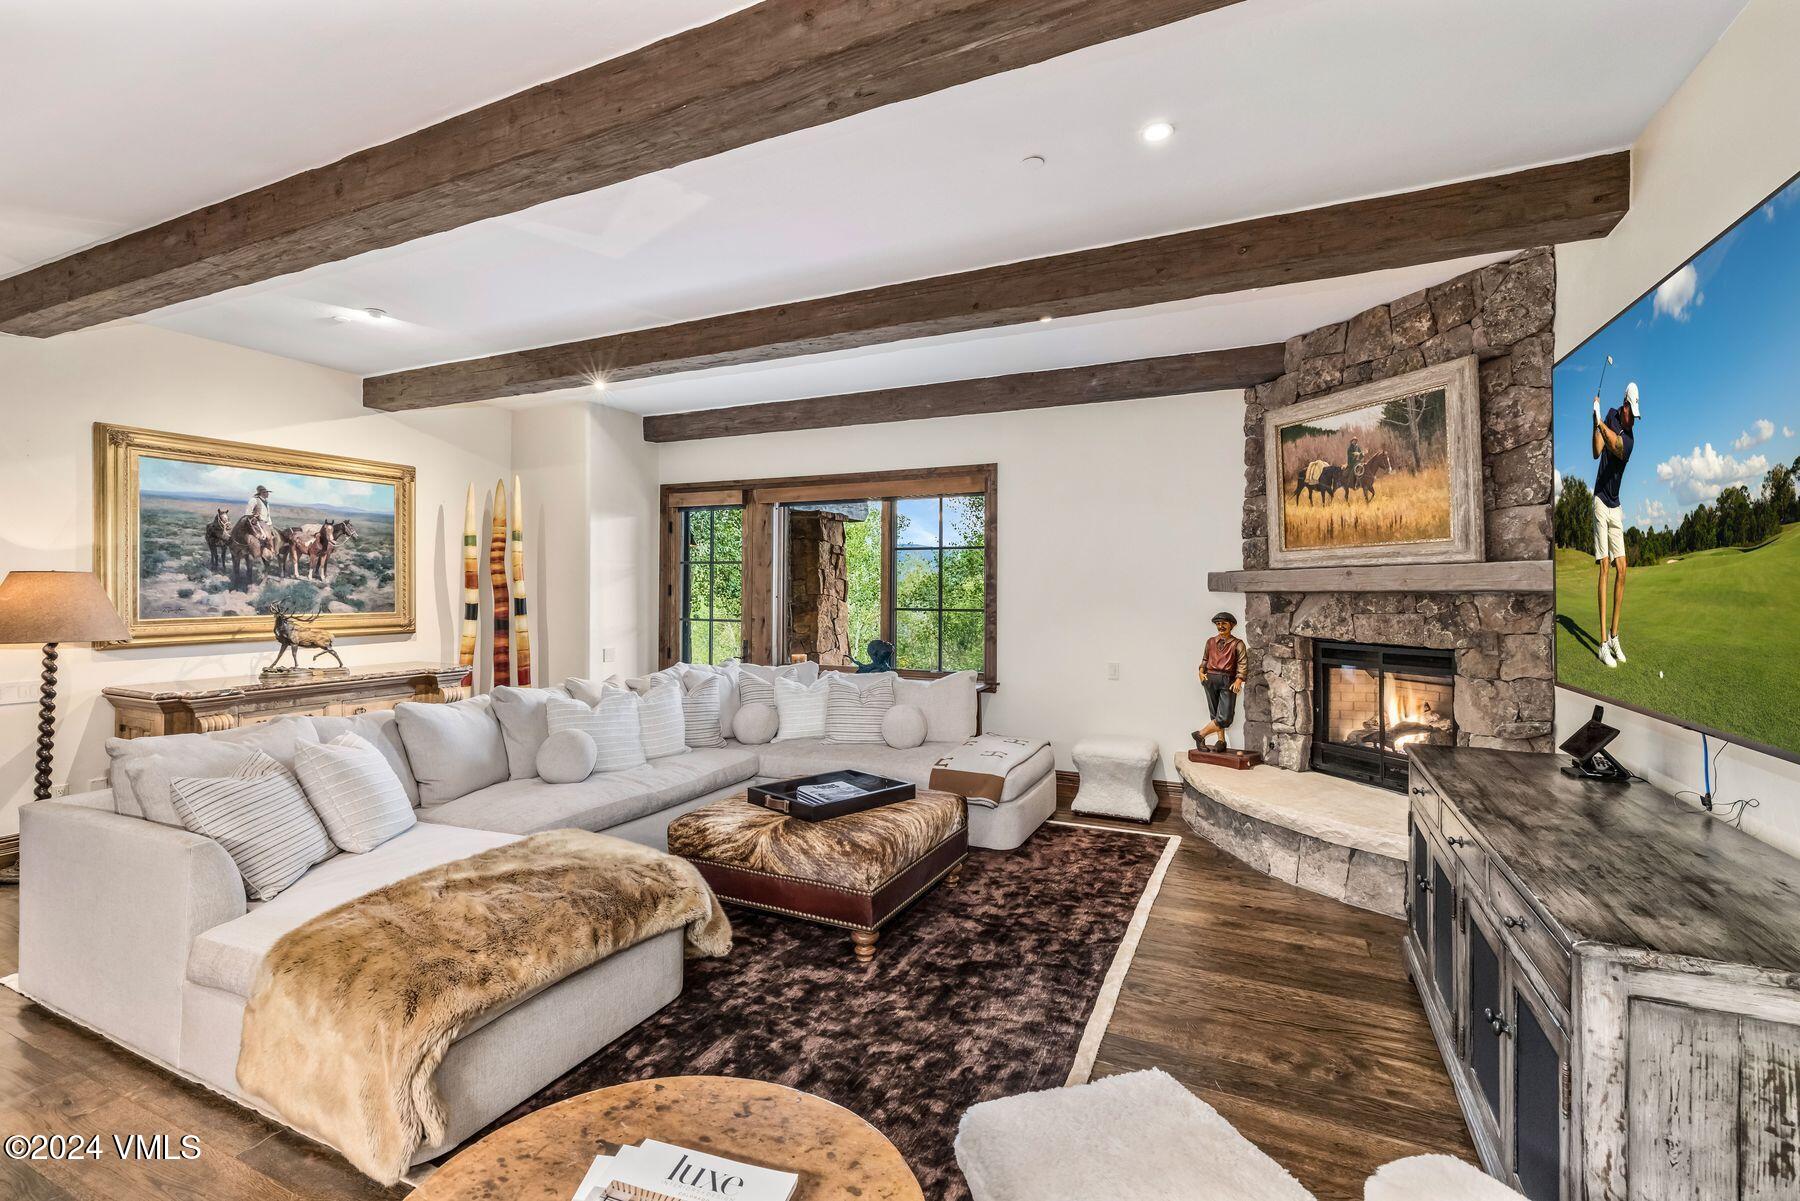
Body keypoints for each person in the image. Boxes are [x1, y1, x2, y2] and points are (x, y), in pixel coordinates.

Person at [1591, 381, 1641, 668]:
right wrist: (1595, 419)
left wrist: (1600, 423)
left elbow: (1614, 445)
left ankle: (1614, 636)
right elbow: (1597, 450)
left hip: (1616, 505)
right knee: (1606, 566)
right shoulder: (1610, 415)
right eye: (1630, 413)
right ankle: (1601, 644)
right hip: (1600, 500)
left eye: (1635, 415)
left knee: (1623, 569)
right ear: (1624, 406)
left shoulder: (1631, 440)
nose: (1633, 419)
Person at [1194, 611, 1248, 752]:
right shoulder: (1210, 642)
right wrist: (1200, 671)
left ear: (1231, 625)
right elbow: (1205, 659)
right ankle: (1221, 741)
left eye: (1224, 623)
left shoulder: (1237, 644)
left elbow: (1242, 663)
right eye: (1218, 624)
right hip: (1210, 678)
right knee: (1215, 713)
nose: (1220, 626)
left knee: (1224, 718)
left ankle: (1200, 735)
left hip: (1227, 680)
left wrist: (1239, 679)